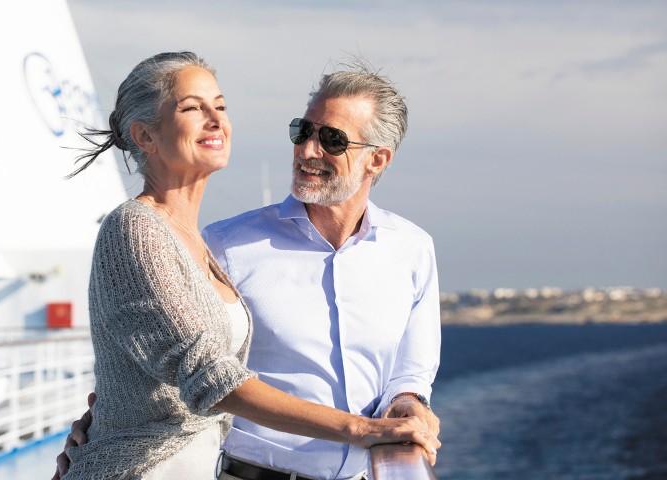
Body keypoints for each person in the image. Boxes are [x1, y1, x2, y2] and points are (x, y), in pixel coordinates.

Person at [58, 52, 439, 480]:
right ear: (144, 136)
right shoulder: (192, 238)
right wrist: (362, 430)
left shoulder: (412, 249)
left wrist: (408, 406)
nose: (309, 149)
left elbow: (156, 364)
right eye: (303, 131)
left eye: (332, 139)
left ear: (378, 159)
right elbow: (202, 372)